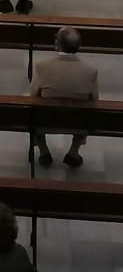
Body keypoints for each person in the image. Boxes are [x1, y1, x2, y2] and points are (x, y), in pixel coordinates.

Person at [31, 27, 98, 169]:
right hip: (77, 122)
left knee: (29, 105)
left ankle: (43, 150)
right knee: (87, 110)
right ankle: (73, 152)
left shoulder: (43, 67)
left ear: (57, 44)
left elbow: (33, 95)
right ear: (79, 46)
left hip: (45, 119)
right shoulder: (90, 71)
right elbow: (95, 100)